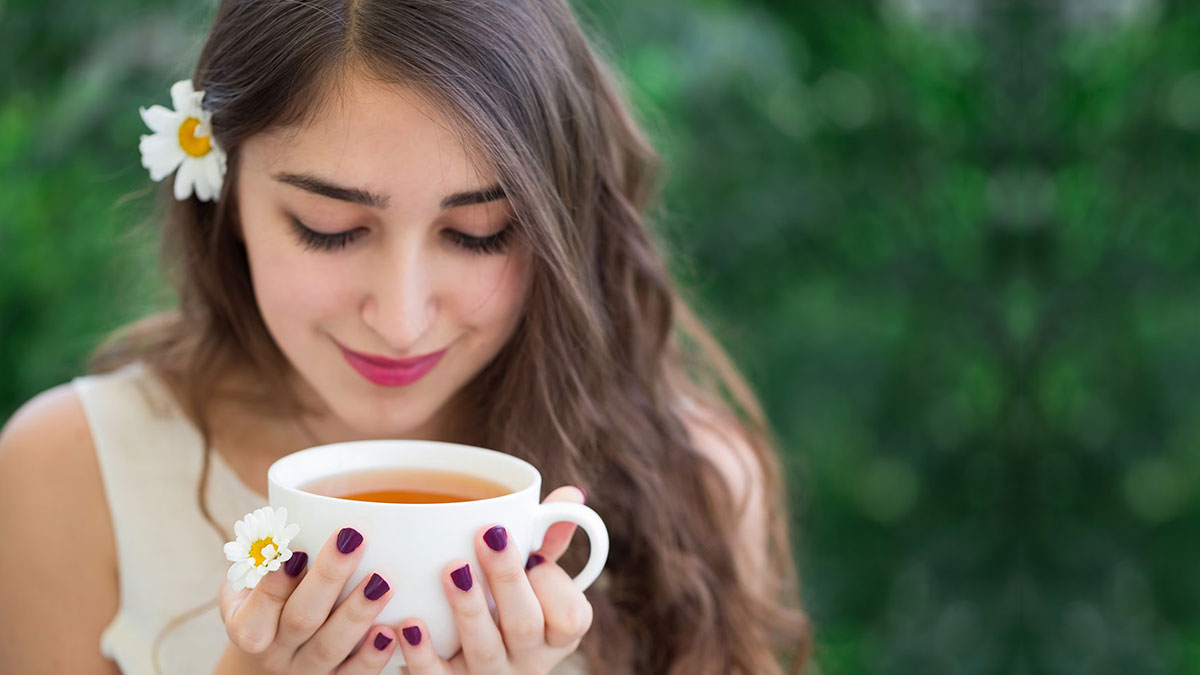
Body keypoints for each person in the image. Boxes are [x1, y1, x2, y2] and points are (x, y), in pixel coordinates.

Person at [0, 0, 811, 673]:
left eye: (481, 232)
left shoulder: (696, 488)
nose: (400, 317)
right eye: (328, 228)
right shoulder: (71, 475)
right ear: (225, 194)